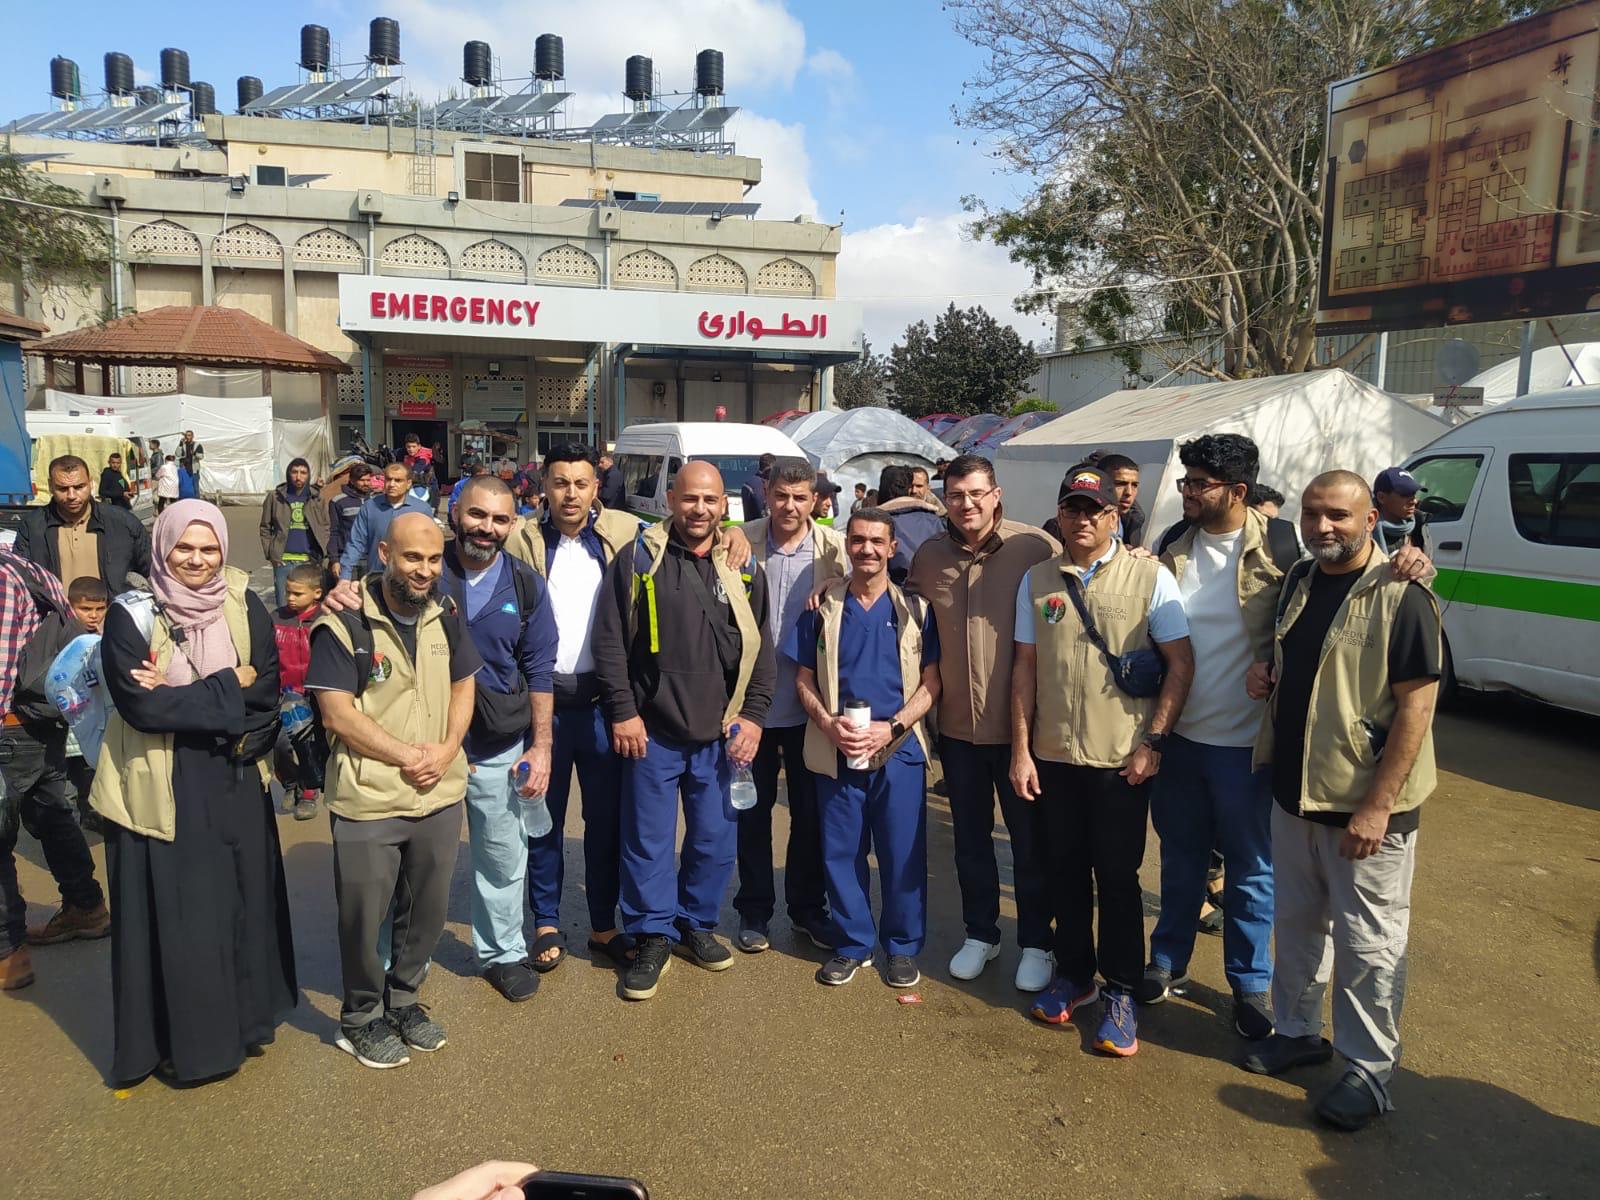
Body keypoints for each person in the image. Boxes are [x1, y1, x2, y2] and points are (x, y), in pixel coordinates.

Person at [1243, 470, 1441, 1132]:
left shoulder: (1401, 593)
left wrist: (1379, 807)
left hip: (1365, 809)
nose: (1323, 526)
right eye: (1312, 513)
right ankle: (1298, 1032)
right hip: (1297, 794)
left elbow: (1417, 707)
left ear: (1370, 519)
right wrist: (1267, 674)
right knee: (1298, 926)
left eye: (1338, 515)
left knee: (1370, 942)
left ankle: (1369, 1071)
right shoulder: (1301, 579)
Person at [89, 500, 295, 1084]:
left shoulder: (240, 601)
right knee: (183, 920)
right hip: (162, 784)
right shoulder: (129, 616)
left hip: (234, 777)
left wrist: (192, 690)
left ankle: (247, 1025)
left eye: (209, 549)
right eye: (185, 548)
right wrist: (233, 683)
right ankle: (191, 1049)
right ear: (162, 547)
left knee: (238, 907)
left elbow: (271, 687)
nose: (198, 561)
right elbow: (142, 707)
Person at [1010, 465, 1194, 1057]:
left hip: (1122, 762)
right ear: (1059, 515)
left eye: (1094, 510)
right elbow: (1025, 669)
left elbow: (1180, 664)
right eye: (1072, 509)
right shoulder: (1039, 579)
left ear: (1115, 515)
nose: (1082, 519)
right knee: (1063, 870)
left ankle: (1120, 989)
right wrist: (1021, 750)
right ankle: (1075, 977)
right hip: (1055, 756)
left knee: (1116, 880)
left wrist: (1154, 743)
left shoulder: (1150, 577)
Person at [591, 461, 775, 1001]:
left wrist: (755, 716)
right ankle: (653, 933)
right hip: (651, 732)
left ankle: (696, 924)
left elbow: (761, 650)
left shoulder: (744, 568)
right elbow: (608, 643)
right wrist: (623, 710)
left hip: (723, 734)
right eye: (690, 498)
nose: (699, 509)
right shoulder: (639, 558)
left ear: (725, 506)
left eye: (710, 500)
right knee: (646, 841)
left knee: (715, 842)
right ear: (671, 498)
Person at [306, 512, 481, 1069]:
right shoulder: (344, 625)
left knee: (425, 911)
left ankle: (404, 1000)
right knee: (364, 914)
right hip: (371, 798)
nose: (424, 570)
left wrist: (449, 747)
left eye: (433, 559)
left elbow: (463, 683)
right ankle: (359, 1017)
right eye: (412, 557)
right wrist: (409, 756)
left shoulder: (446, 613)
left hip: (439, 792)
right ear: (384, 554)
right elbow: (337, 715)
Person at [1137, 435, 1286, 1041]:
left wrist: (1411, 563)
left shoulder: (1284, 546)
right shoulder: (1174, 543)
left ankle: (1250, 987)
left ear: (1238, 491)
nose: (1188, 493)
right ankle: (1166, 962)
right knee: (1180, 860)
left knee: (1251, 870)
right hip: (1180, 738)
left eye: (1199, 484)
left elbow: (1342, 592)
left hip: (1247, 745)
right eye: (1186, 482)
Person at [907, 453, 1059, 991]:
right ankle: (981, 933)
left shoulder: (1035, 548)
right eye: (955, 495)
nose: (966, 504)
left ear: (996, 494)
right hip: (957, 732)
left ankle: (1038, 942)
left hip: (1023, 731)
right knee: (970, 840)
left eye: (976, 493)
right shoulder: (929, 556)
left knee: (1028, 843)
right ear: (942, 500)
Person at [507, 445, 643, 974]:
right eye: (560, 482)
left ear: (595, 489)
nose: (570, 494)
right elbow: (455, 556)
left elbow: (690, 533)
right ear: (543, 484)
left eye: (581, 484)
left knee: (605, 820)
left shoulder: (623, 536)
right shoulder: (520, 540)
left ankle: (603, 924)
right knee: (541, 816)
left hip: (601, 707)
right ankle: (545, 920)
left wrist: (735, 541)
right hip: (541, 709)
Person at [791, 508, 942, 987]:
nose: (868, 550)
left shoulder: (917, 611)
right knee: (841, 851)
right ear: (847, 544)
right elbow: (803, 679)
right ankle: (854, 943)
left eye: (878, 541)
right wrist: (827, 724)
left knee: (903, 854)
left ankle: (900, 946)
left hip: (898, 750)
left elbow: (933, 683)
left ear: (893, 547)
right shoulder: (821, 608)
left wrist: (893, 727)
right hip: (838, 747)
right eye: (858, 540)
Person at [424, 475, 556, 1000]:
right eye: (478, 515)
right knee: (418, 863)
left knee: (502, 859)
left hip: (499, 746)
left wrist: (541, 746)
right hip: (428, 746)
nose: (488, 528)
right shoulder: (426, 572)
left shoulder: (525, 586)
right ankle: (397, 962)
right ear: (456, 512)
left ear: (513, 523)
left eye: (501, 519)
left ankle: (501, 952)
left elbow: (540, 670)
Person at [733, 458, 848, 953]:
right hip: (751, 706)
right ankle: (754, 910)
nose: (790, 506)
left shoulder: (836, 549)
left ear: (816, 499)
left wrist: (837, 585)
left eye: (801, 497)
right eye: (782, 495)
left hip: (810, 707)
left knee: (809, 815)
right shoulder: (739, 540)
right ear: (767, 490)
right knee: (751, 812)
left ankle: (807, 908)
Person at [0, 551, 110, 992]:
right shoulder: (24, 566)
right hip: (39, 720)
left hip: (10, 726)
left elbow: (3, 663)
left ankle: (8, 951)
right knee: (52, 813)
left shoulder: (3, 579)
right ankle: (86, 906)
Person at [14, 454, 152, 597]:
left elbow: (153, 571)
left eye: (79, 487)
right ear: (50, 486)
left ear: (91, 483)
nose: (72, 495)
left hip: (113, 616)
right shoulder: (33, 527)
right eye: (63, 488)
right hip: (55, 616)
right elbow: (20, 578)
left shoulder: (123, 523)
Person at [272, 562, 326, 822]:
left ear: (317, 593)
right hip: (285, 693)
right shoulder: (277, 619)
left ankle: (308, 791)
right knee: (281, 744)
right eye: (288, 592)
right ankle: (290, 782)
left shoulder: (325, 620)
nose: (290, 598)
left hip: (315, 695)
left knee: (308, 744)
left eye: (297, 593)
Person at [339, 461, 436, 578]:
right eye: (388, 479)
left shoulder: (422, 509)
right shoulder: (370, 507)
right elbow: (355, 543)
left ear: (409, 483)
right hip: (376, 576)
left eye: (398, 480)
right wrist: (345, 576)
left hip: (411, 578)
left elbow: (430, 545)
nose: (392, 484)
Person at [260, 458, 328, 610]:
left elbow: (325, 526)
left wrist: (321, 551)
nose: (298, 477)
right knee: (284, 607)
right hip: (284, 561)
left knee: (310, 607)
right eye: (294, 472)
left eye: (303, 473)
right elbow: (265, 528)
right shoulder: (275, 497)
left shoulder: (316, 498)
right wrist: (272, 555)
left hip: (309, 561)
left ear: (308, 475)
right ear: (288, 474)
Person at [877, 465, 944, 583]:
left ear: (928, 488)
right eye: (912, 486)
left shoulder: (878, 522)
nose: (914, 491)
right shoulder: (934, 520)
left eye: (919, 486)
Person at [325, 461, 377, 579]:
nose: (366, 483)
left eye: (368, 480)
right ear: (352, 481)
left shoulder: (376, 501)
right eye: (362, 480)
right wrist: (334, 560)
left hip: (372, 559)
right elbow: (333, 532)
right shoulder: (338, 501)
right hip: (348, 559)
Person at [1373, 466, 1427, 553]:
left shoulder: (1419, 526)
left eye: (1414, 494)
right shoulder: (1364, 533)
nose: (1414, 501)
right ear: (1381, 497)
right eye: (1405, 494)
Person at [740, 452, 777, 522]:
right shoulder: (756, 485)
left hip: (751, 527)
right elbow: (762, 512)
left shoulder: (748, 484)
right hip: (762, 527)